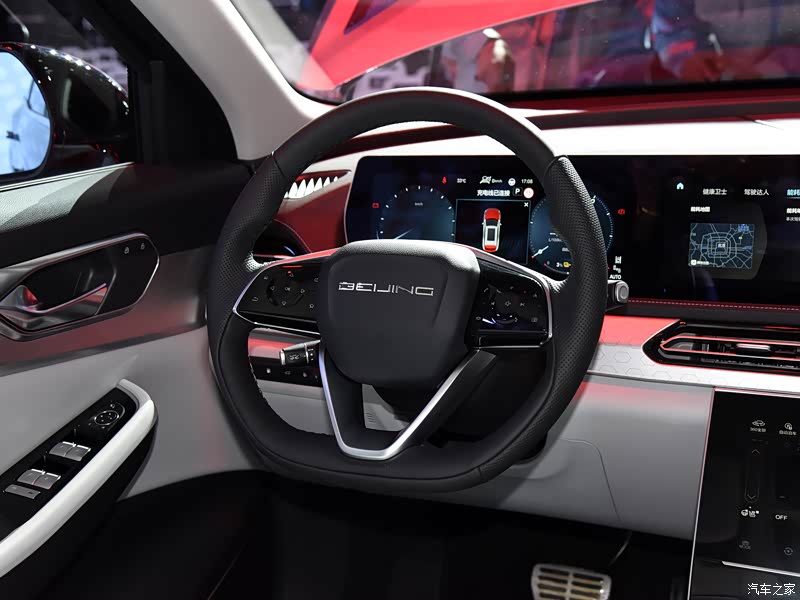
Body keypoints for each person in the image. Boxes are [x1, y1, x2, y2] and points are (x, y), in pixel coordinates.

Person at [652, 0, 800, 83]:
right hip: (721, 92)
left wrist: (777, 66)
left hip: (787, 93)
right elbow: (672, 29)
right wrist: (689, 58)